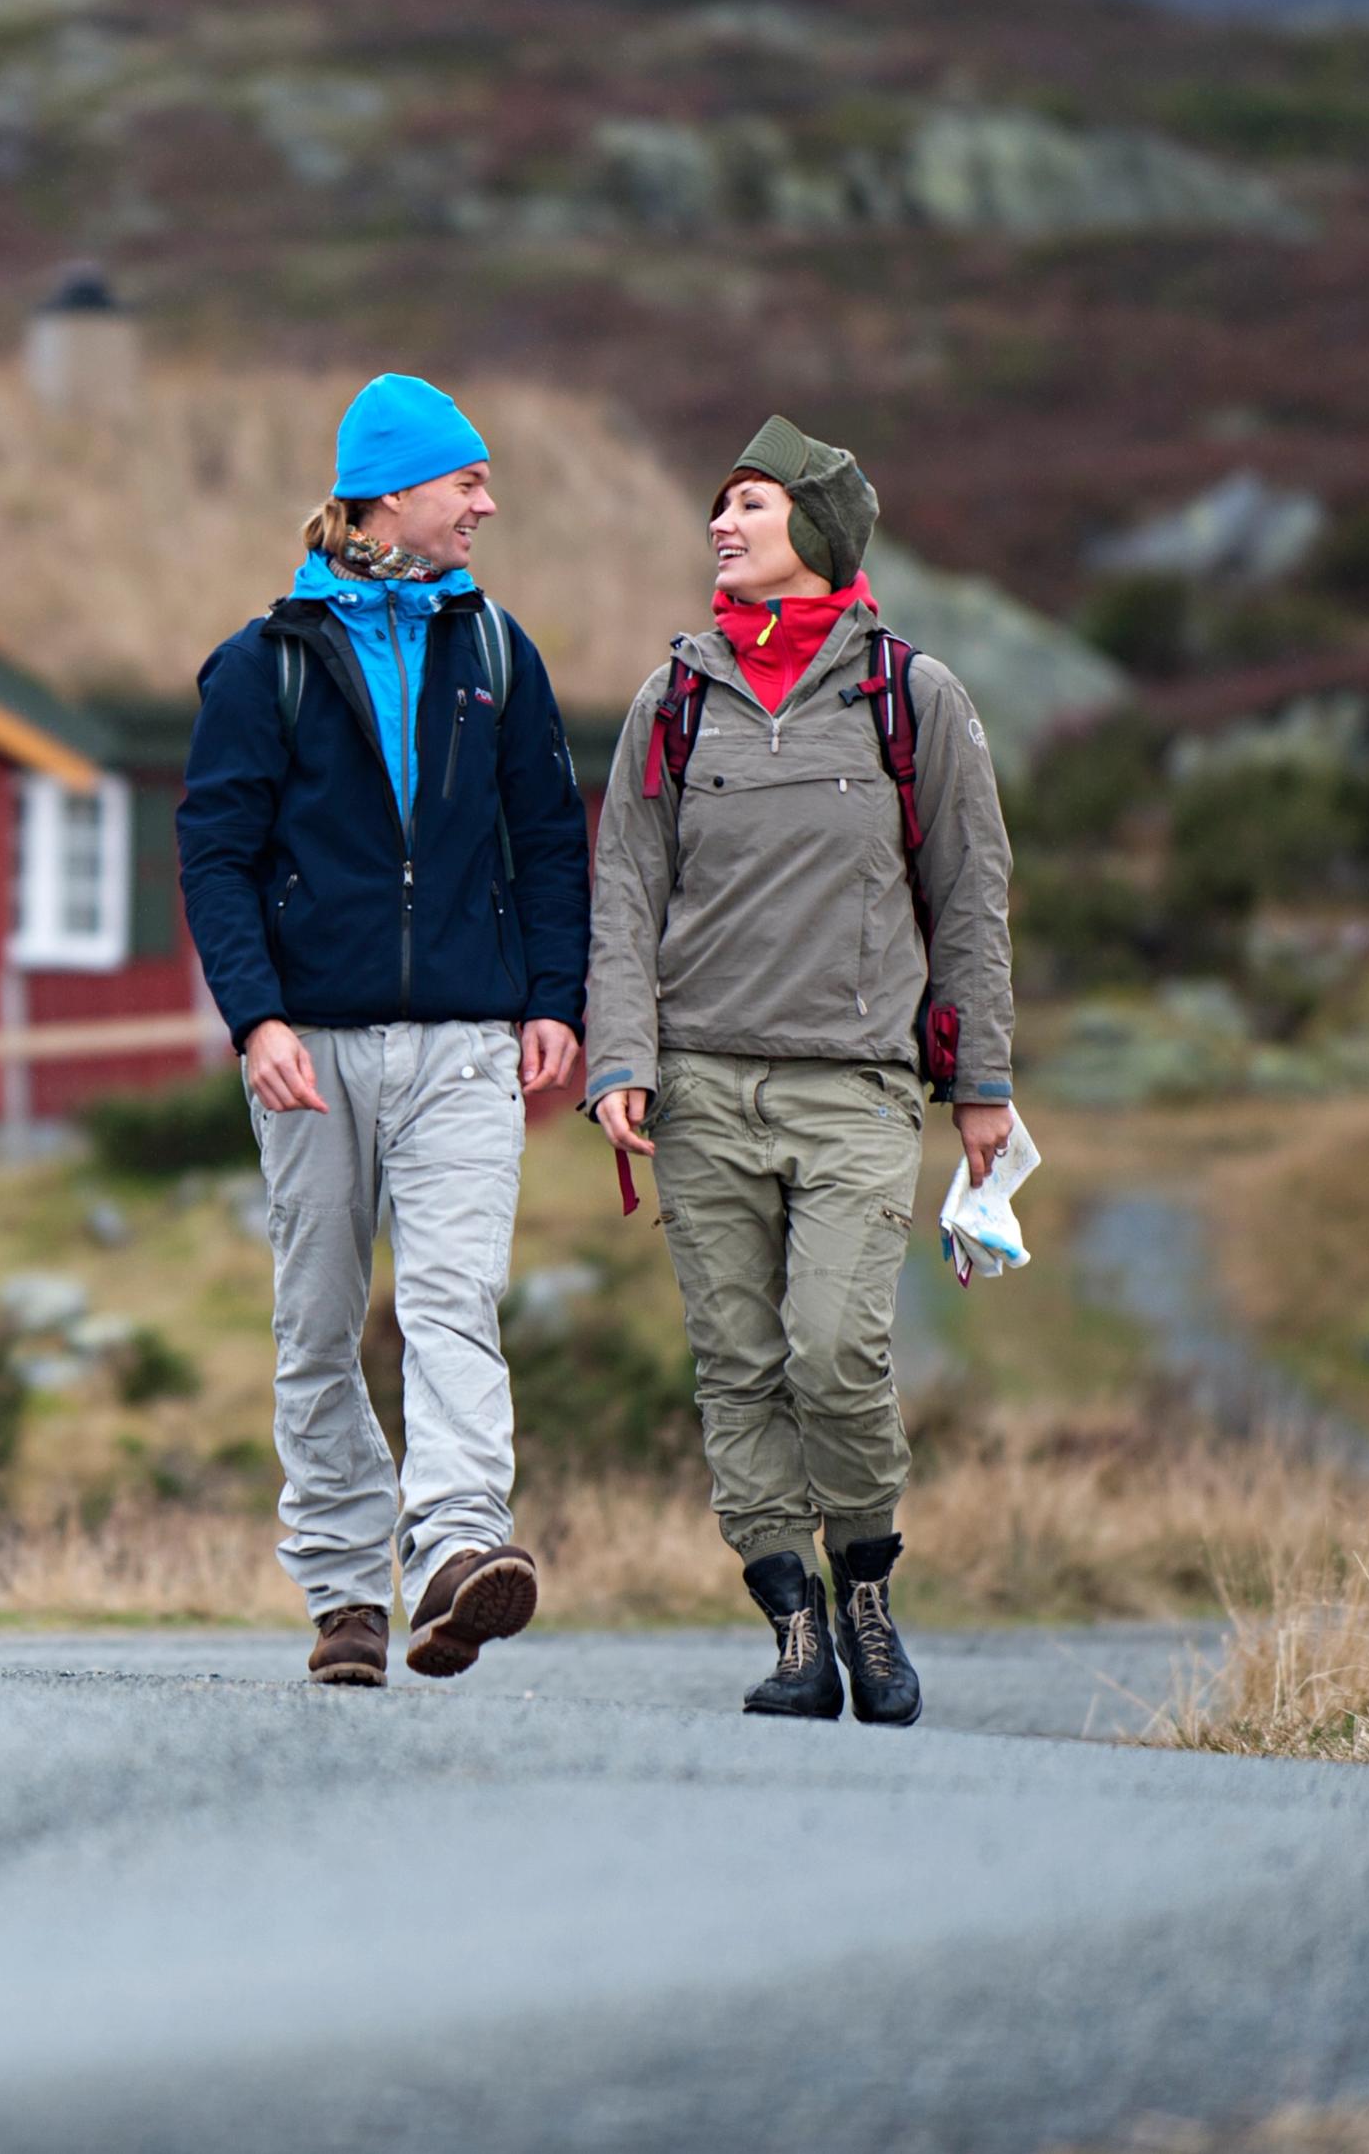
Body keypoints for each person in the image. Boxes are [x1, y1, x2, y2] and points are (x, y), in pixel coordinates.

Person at [583, 416, 1017, 1729]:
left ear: (819, 531)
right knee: (736, 1361)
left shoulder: (913, 696)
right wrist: (620, 1054)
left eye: (751, 504)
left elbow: (971, 895)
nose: (722, 524)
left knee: (836, 1348)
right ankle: (792, 1622)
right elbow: (624, 887)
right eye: (719, 506)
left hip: (858, 1088)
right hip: (703, 1085)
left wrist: (983, 1081)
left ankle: (868, 1586)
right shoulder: (674, 699)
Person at [179, 375, 592, 1689]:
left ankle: (462, 1549)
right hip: (310, 1048)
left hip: (468, 1041)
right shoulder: (263, 664)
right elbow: (216, 856)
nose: (486, 501)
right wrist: (255, 1018)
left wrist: (552, 997)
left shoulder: (497, 653)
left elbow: (548, 840)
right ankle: (350, 1591)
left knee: (452, 1297)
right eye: (464, 480)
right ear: (392, 494)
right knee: (315, 1322)